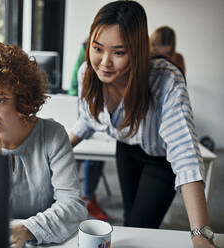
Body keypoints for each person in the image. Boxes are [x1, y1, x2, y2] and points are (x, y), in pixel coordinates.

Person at [69, 1, 217, 247]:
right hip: (127, 150)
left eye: (118, 52)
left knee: (140, 224)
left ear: (136, 51)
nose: (104, 62)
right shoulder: (87, 72)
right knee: (129, 219)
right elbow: (86, 121)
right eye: (97, 48)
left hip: (161, 159)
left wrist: (200, 234)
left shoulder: (165, 78)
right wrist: (49, 150)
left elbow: (185, 154)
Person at [0, 42, 87, 248]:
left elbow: (74, 206)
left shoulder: (52, 135)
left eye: (0, 100)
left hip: (50, 243)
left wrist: (26, 230)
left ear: (21, 99)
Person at [69, 39, 109, 221]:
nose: (106, 61)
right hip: (81, 108)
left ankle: (88, 196)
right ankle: (85, 197)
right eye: (98, 49)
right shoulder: (85, 62)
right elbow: (73, 87)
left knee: (96, 155)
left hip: (99, 117)